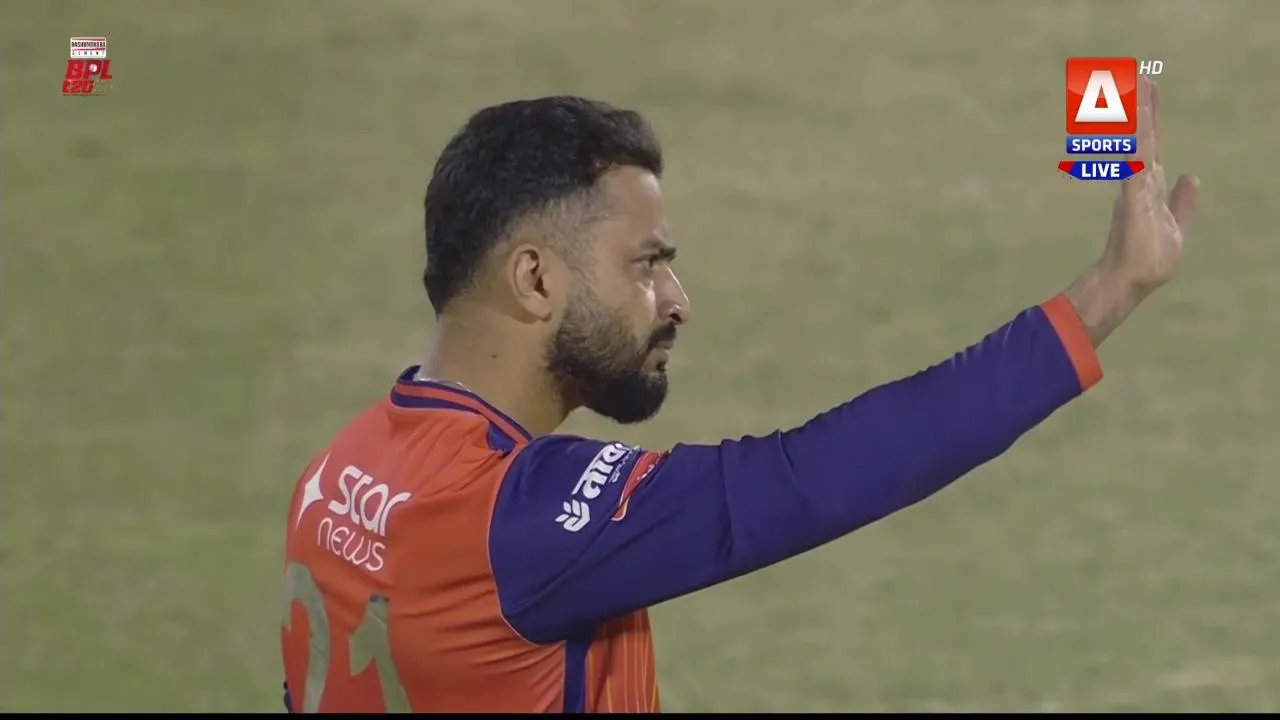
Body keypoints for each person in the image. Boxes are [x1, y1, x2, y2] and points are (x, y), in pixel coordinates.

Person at [279, 79, 1198, 713]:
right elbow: (816, 477)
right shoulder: (515, 524)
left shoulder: (338, 471)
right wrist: (1106, 295)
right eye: (646, 266)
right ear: (535, 279)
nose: (677, 301)